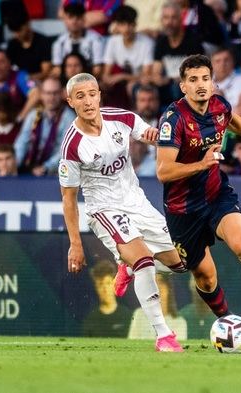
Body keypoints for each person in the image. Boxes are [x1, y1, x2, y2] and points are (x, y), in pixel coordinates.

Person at [156, 54, 241, 332]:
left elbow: (232, 120)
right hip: (182, 209)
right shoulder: (174, 118)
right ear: (183, 86)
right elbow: (163, 172)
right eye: (193, 80)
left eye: (205, 78)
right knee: (205, 279)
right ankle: (229, 324)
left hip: (217, 195)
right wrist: (201, 164)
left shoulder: (219, 105)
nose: (200, 85)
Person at [59, 72, 187, 352]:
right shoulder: (72, 145)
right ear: (70, 102)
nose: (88, 101)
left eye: (92, 93)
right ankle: (164, 335)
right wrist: (75, 244)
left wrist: (164, 140)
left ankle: (126, 264)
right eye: (80, 96)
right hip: (103, 209)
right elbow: (69, 199)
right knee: (145, 262)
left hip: (137, 202)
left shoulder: (122, 118)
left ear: (99, 95)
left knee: (182, 263)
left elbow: (149, 135)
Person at [14, 77, 76, 176]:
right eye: (48, 93)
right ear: (42, 95)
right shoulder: (34, 115)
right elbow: (22, 141)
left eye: (55, 93)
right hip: (32, 167)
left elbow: (66, 151)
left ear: (61, 94)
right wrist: (15, 163)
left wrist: (46, 167)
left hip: (56, 172)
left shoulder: (70, 118)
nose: (51, 97)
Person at [81, 259, 133, 337]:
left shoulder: (127, 316)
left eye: (108, 283)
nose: (105, 289)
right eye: (101, 284)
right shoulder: (90, 320)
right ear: (96, 288)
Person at [128, 274, 188, 340]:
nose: (157, 288)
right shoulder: (139, 315)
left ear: (168, 288)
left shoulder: (179, 323)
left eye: (160, 283)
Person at [51, 3, 104, 77]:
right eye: (70, 17)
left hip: (88, 80)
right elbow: (57, 70)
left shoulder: (96, 40)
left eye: (78, 18)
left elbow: (97, 69)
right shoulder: (59, 42)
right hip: (66, 81)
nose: (74, 21)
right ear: (65, 20)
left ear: (84, 20)